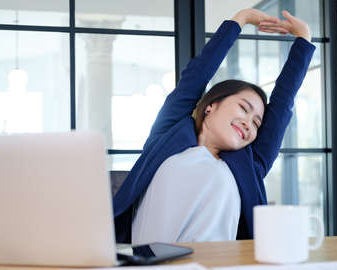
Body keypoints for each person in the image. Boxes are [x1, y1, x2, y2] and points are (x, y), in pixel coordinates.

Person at [113, 8, 315, 244]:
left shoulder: (250, 164)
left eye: (256, 123)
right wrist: (241, 19)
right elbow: (196, 75)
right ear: (211, 105)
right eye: (243, 108)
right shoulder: (167, 136)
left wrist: (304, 38)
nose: (248, 123)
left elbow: (282, 104)